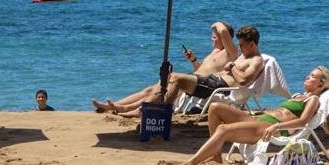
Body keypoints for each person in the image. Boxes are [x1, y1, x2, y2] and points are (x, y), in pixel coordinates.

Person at [164, 66, 329, 165]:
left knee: (223, 129)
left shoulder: (313, 99)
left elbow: (302, 122)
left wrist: (275, 128)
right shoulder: (298, 95)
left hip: (270, 127)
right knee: (215, 107)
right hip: (260, 120)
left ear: (321, 84)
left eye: (312, 76)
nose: (307, 77)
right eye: (309, 75)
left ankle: (189, 163)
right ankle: (216, 155)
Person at [98, 22, 241, 115]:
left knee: (167, 83)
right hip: (194, 78)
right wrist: (194, 60)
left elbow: (223, 31)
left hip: (203, 84)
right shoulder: (213, 53)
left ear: (225, 38)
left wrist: (216, 24)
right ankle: (116, 105)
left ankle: (132, 109)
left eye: (215, 36)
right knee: (152, 88)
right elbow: (201, 69)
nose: (212, 38)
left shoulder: (230, 52)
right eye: (213, 36)